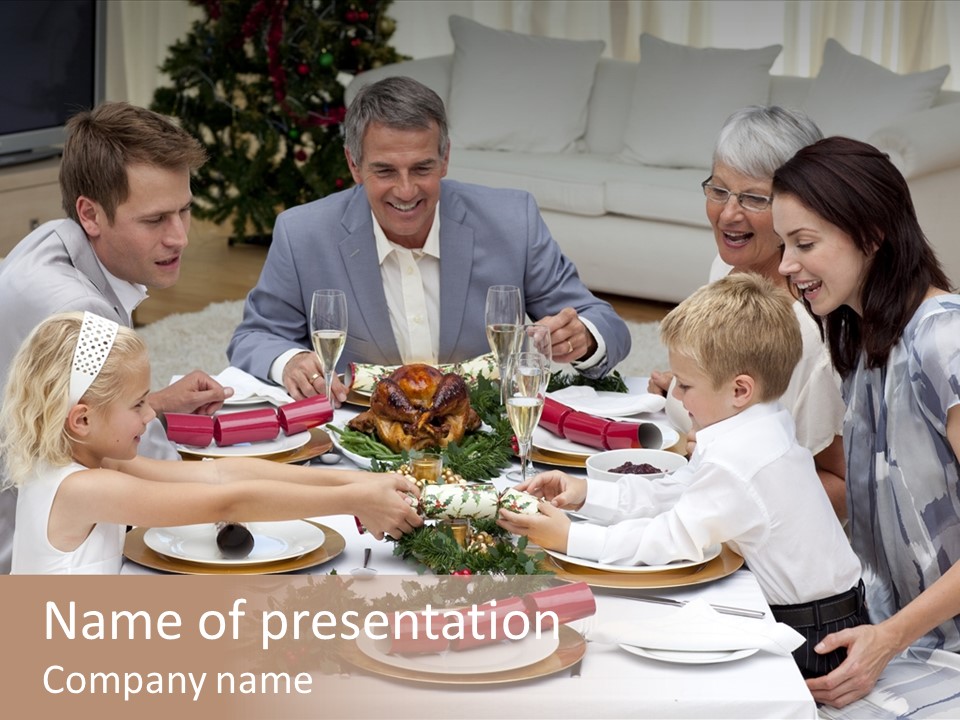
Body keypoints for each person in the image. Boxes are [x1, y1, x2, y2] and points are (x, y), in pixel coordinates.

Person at [499, 273, 865, 679]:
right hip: (830, 612)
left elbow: (670, 539)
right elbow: (681, 490)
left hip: (813, 635)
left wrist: (571, 537)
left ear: (740, 390)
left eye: (686, 386)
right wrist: (588, 493)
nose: (676, 397)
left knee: (635, 649)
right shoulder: (758, 423)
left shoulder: (738, 459)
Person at [227, 76, 630, 403]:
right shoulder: (302, 233)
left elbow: (604, 323)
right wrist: (291, 359)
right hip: (357, 434)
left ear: (446, 158)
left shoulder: (512, 220)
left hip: (484, 430)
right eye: (384, 171)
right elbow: (254, 337)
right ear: (354, 164)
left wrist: (583, 338)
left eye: (422, 168)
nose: (405, 191)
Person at [0, 312, 422, 574]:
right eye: (138, 404)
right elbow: (227, 503)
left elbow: (219, 474)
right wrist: (353, 503)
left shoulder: (94, 461)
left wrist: (360, 487)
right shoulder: (84, 488)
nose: (152, 415)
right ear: (83, 419)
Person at [0, 101, 234, 574]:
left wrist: (157, 402)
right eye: (154, 220)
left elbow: (63, 410)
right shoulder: (81, 313)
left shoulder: (52, 241)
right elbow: (155, 477)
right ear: (90, 214)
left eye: (184, 212)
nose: (180, 238)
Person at [773, 136, 960, 707]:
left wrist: (888, 639)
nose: (786, 265)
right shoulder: (861, 340)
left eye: (804, 243)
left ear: (872, 234)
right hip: (893, 622)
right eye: (784, 244)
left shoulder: (945, 341)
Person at [647, 106, 847, 518]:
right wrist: (691, 385)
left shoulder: (810, 332)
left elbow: (843, 488)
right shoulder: (727, 269)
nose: (728, 213)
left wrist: (725, 474)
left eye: (754, 198)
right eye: (718, 191)